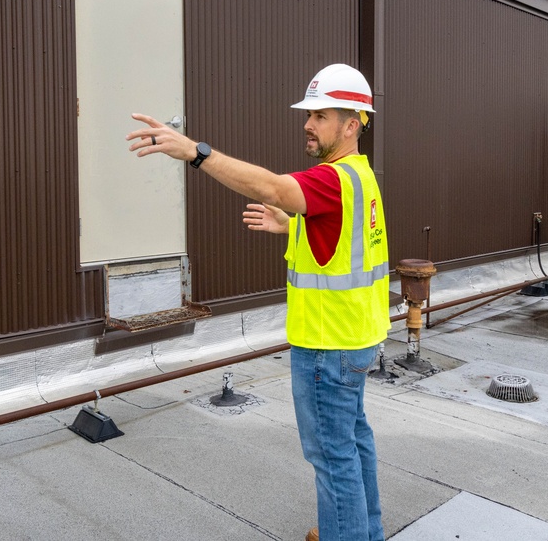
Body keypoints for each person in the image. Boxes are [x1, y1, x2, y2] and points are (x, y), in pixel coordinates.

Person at [126, 64, 390, 541]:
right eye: (309, 114)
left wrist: (194, 152)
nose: (308, 124)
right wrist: (292, 227)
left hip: (327, 346)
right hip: (357, 339)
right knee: (353, 443)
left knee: (332, 457)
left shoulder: (330, 180)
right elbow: (345, 243)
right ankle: (363, 531)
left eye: (321, 115)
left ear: (351, 125)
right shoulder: (360, 178)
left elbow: (272, 187)